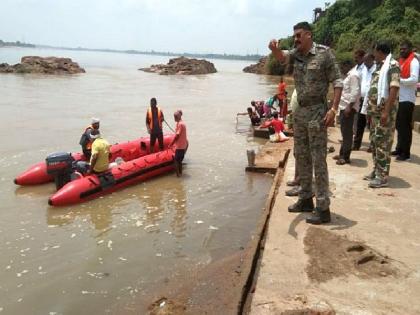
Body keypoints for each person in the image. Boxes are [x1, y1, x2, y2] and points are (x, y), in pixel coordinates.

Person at [269, 21, 343, 224]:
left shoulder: (324, 54)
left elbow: (337, 82)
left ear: (309, 35)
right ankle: (305, 199)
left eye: (299, 35)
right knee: (301, 156)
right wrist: (275, 49)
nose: (296, 39)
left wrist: (334, 109)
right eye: (294, 36)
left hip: (318, 112)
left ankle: (323, 207)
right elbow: (282, 57)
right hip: (300, 112)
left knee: (318, 159)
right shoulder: (296, 54)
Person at [365, 40, 400, 188]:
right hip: (375, 113)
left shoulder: (393, 65)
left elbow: (394, 88)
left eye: (375, 52)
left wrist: (386, 111)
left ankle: (383, 176)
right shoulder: (379, 67)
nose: (374, 55)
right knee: (374, 142)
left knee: (383, 144)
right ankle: (376, 170)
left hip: (385, 113)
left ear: (380, 51)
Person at [392, 40, 419, 161]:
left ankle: (406, 153)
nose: (402, 51)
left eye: (404, 49)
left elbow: (414, 79)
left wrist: (400, 81)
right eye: (401, 49)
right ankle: (399, 148)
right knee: (398, 125)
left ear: (410, 49)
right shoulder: (401, 62)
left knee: (405, 127)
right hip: (399, 98)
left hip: (407, 99)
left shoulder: (413, 62)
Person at [334, 59, 361, 165]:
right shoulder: (349, 75)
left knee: (347, 133)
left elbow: (355, 92)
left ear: (346, 66)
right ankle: (342, 154)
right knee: (345, 132)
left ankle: (345, 157)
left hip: (348, 107)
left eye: (342, 68)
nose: (341, 70)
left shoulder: (353, 75)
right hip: (344, 106)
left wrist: (349, 106)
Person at [353, 53, 376, 150]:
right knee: (360, 122)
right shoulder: (364, 69)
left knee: (372, 123)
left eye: (366, 61)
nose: (365, 63)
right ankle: (356, 144)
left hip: (372, 100)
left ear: (371, 59)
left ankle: (372, 145)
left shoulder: (376, 69)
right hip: (362, 99)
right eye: (364, 61)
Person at [169, 110, 188, 177]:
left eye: (175, 116)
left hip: (179, 147)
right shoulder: (182, 123)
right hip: (183, 146)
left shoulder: (180, 124)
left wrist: (171, 144)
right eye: (174, 116)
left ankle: (178, 176)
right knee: (180, 161)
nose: (174, 118)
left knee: (176, 161)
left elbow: (177, 136)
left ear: (179, 116)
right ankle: (180, 174)